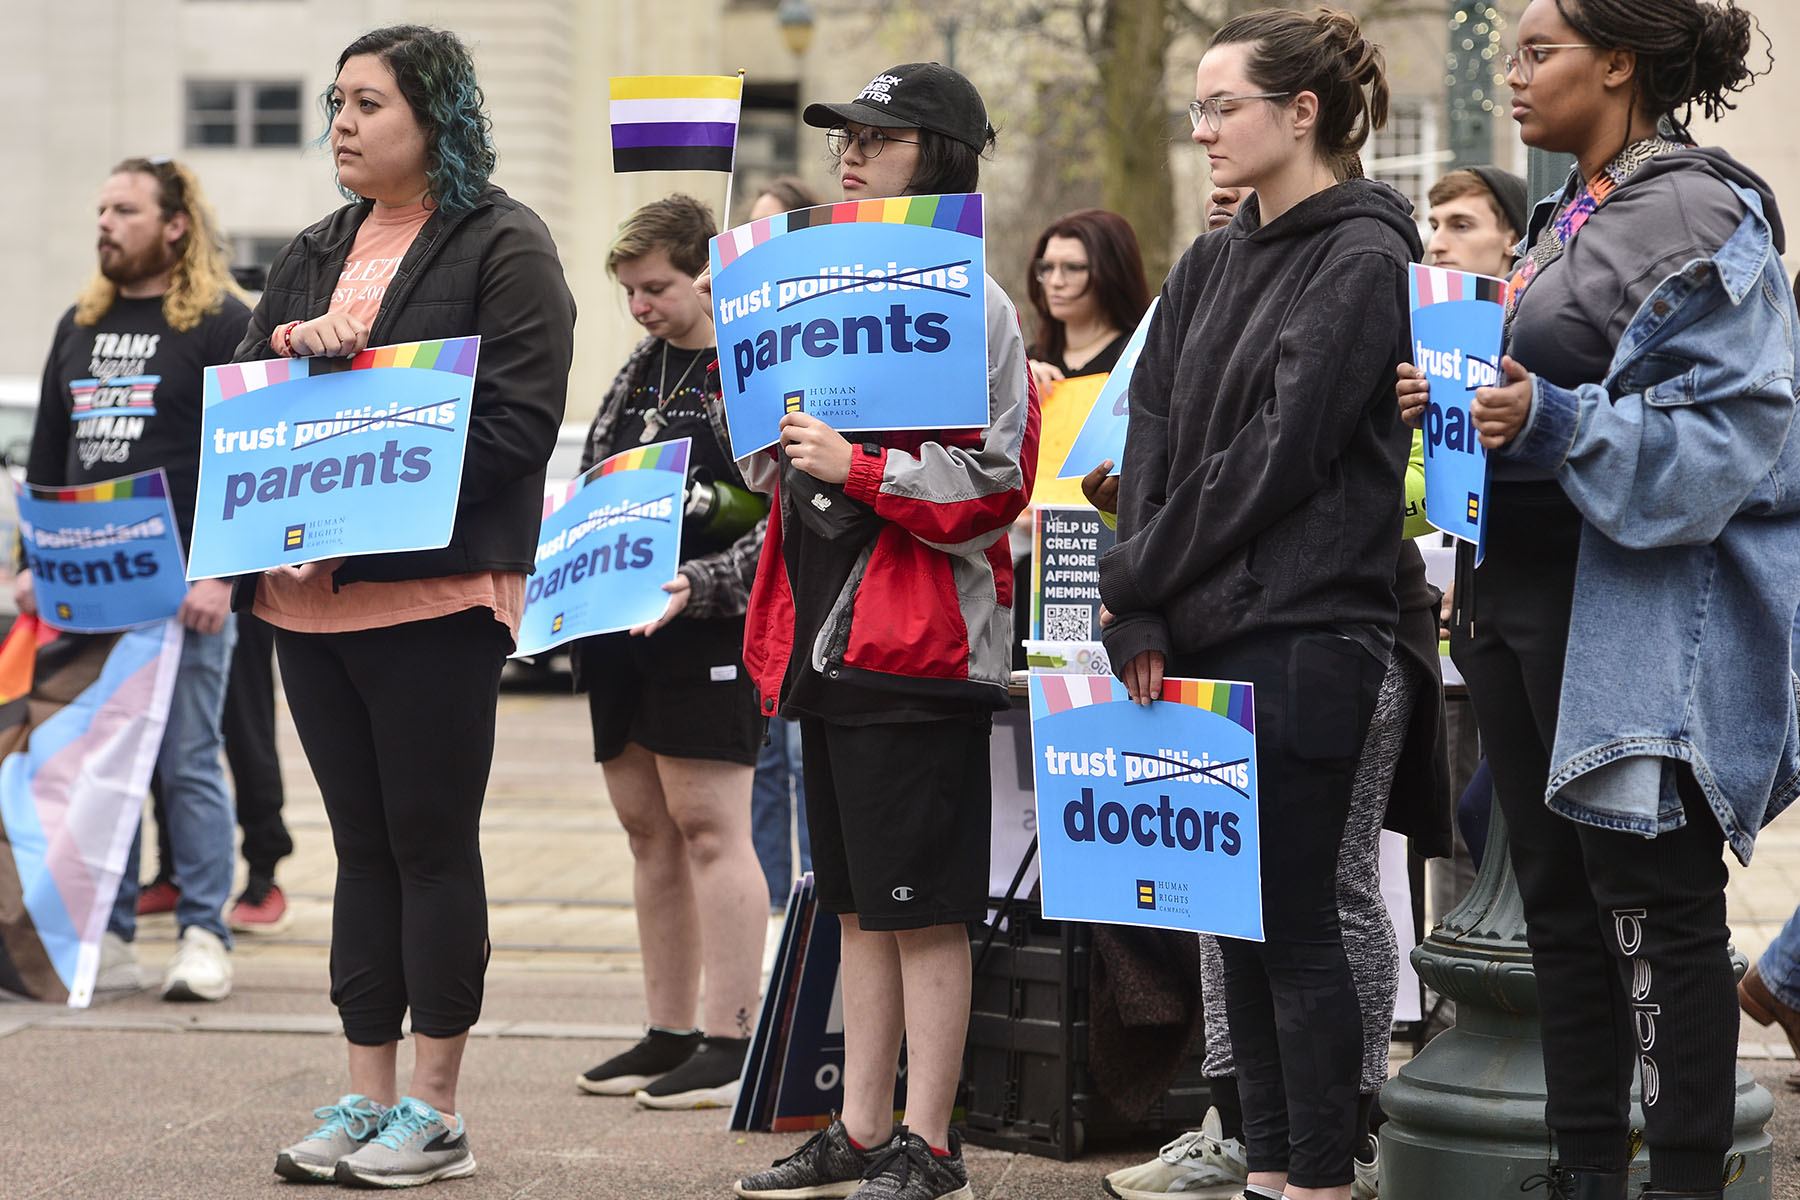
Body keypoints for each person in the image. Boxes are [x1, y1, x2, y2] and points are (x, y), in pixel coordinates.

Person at [1394, 3, 1796, 1197]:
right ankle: (1582, 1173)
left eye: (1538, 55)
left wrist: (1555, 419)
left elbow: (1743, 434)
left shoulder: (1701, 207)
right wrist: (1453, 396)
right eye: (1505, 55)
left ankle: (1678, 1182)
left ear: (1620, 63)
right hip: (1512, 593)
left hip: (1621, 613)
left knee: (1655, 909)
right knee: (1560, 906)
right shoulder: (1578, 210)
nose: (1507, 77)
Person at [231, 25, 575, 1187]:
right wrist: (296, 351)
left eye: (368, 103)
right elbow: (248, 403)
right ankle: (363, 1100)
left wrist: (362, 390)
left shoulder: (504, 242)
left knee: (430, 847)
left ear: (435, 118)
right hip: (305, 608)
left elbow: (518, 427)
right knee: (362, 851)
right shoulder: (313, 247)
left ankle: (438, 1110)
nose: (341, 122)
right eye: (335, 101)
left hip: (428, 601)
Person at [1098, 11, 1420, 1200]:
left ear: (1303, 114)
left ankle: (1319, 1179)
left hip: (1309, 635)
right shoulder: (1207, 259)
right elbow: (1154, 437)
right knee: (1231, 926)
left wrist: (1134, 576)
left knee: (1294, 925)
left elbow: (1279, 459)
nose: (1201, 130)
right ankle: (1270, 1170)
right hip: (1197, 629)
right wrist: (1133, 613)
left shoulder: (1365, 257)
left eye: (1223, 105)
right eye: (1196, 106)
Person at [728, 61, 1037, 1200]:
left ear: (940, 157)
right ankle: (860, 1130)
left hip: (919, 654)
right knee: (854, 907)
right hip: (820, 643)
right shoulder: (810, 293)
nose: (848, 153)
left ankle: (933, 1142)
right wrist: (759, 413)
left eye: (878, 135)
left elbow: (995, 485)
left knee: (924, 913)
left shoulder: (981, 304)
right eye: (843, 136)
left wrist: (856, 463)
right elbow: (764, 462)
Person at [23, 156, 248, 1004]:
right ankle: (106, 935)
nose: (105, 224)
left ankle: (203, 935)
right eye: (101, 210)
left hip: (187, 586)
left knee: (186, 759)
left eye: (124, 209)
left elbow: (245, 458)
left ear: (176, 224)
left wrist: (221, 576)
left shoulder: (224, 324)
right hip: (89, 580)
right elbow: (52, 452)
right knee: (92, 760)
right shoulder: (79, 323)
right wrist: (27, 566)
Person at [570, 195, 770, 1109]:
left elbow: (782, 521)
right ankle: (668, 1029)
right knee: (646, 828)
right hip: (621, 627)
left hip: (709, 627)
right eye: (629, 292)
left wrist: (709, 584)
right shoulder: (639, 373)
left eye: (655, 288)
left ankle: (732, 1036)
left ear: (706, 273)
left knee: (708, 826)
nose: (641, 306)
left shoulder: (747, 370)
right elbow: (595, 486)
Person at [743, 176, 824, 912]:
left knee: (807, 763)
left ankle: (813, 899)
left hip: (831, 603)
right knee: (769, 765)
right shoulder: (758, 337)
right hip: (781, 599)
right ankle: (777, 908)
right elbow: (760, 470)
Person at [1024, 208, 1153, 396]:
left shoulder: (1140, 357)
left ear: (1113, 272)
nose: (1055, 281)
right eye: (1047, 267)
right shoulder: (1027, 362)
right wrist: (1017, 385)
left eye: (1073, 268)